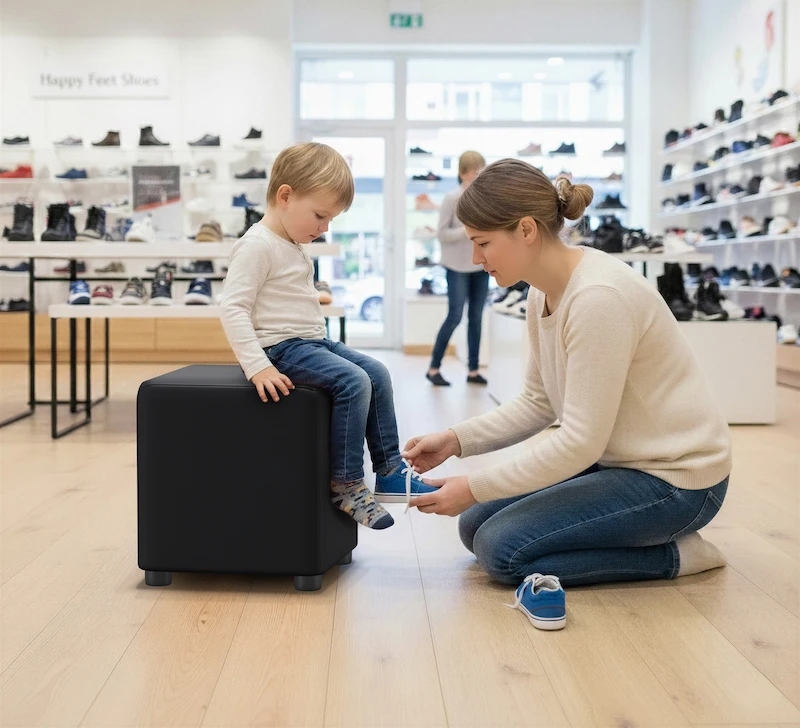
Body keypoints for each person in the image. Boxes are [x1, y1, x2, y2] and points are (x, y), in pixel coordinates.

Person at [403, 159, 731, 628]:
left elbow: (579, 442)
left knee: (501, 551)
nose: (476, 260)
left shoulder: (598, 298)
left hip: (677, 482)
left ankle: (675, 556)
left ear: (527, 230)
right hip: (620, 464)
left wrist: (473, 485)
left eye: (482, 244)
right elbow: (538, 403)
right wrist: (456, 440)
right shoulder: (543, 290)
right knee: (473, 525)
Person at [221, 142, 437, 531]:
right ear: (285, 196)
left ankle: (389, 471)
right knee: (353, 382)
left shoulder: (291, 241)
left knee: (377, 371)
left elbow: (283, 291)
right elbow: (233, 308)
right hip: (279, 348)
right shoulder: (256, 245)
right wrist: (257, 367)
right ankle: (348, 484)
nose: (324, 228)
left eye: (330, 220)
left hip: (309, 341)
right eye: (320, 216)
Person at [427, 150, 489, 387]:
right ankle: (434, 368)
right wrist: (469, 229)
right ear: (463, 173)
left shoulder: (485, 199)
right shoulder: (452, 198)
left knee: (476, 317)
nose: (478, 175)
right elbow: (442, 234)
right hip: (456, 267)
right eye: (475, 171)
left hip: (481, 266)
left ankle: (473, 371)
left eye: (481, 170)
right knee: (454, 316)